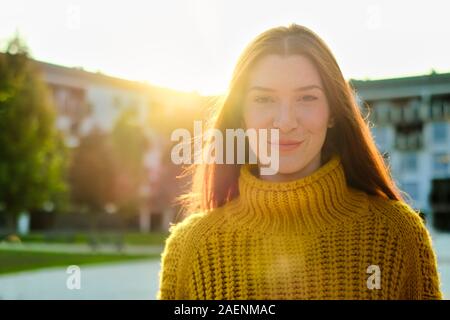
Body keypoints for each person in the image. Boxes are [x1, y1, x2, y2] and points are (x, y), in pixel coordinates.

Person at [157, 24, 442, 299]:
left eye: (307, 97)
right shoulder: (189, 247)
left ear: (332, 111)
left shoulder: (399, 235)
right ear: (241, 116)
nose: (285, 122)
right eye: (264, 99)